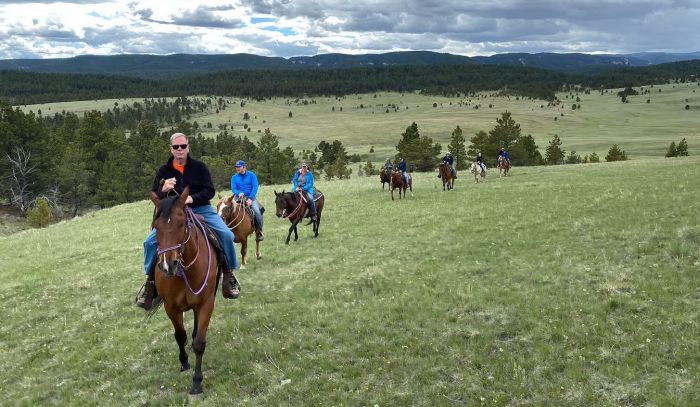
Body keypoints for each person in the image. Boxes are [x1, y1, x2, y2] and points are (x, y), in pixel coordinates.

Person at [136, 133, 240, 311]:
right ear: (171, 148)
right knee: (149, 243)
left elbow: (209, 191)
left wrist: (191, 198)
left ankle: (229, 273)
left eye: (182, 146)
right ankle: (150, 282)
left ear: (188, 147)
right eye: (176, 147)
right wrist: (163, 189)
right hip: (174, 215)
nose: (179, 150)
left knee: (226, 235)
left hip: (201, 209)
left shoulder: (199, 167)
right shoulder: (163, 171)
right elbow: (155, 196)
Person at [230, 160, 264, 242]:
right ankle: (228, 231)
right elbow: (233, 188)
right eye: (236, 167)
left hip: (250, 197)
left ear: (244, 167)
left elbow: (255, 187)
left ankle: (259, 232)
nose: (237, 168)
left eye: (239, 167)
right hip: (238, 197)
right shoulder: (234, 177)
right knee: (228, 210)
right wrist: (239, 193)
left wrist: (250, 199)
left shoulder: (252, 175)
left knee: (257, 212)